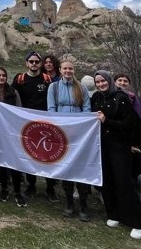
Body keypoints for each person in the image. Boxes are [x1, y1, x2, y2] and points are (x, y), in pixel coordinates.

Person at [91, 70, 141, 239]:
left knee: (124, 182)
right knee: (107, 180)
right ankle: (114, 214)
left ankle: (138, 224)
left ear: (110, 80)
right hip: (102, 146)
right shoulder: (96, 98)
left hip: (120, 146)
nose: (101, 84)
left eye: (103, 81)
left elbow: (131, 124)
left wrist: (107, 121)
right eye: (98, 82)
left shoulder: (121, 98)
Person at [48, 60, 92, 221]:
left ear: (74, 70)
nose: (68, 71)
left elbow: (87, 109)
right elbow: (51, 109)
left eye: (70, 68)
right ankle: (68, 203)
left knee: (81, 168)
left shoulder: (82, 88)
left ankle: (83, 204)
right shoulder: (53, 88)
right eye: (65, 68)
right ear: (60, 70)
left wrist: (82, 126)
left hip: (80, 133)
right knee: (66, 168)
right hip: (62, 133)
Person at [11, 51, 58, 202]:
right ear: (26, 63)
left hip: (45, 124)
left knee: (48, 156)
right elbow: (9, 95)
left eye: (37, 62)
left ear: (40, 64)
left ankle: (50, 188)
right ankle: (31, 185)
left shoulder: (47, 80)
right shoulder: (20, 79)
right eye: (31, 61)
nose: (34, 64)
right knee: (29, 154)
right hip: (26, 124)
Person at [0, 67, 26, 207]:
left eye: (3, 75)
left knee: (14, 160)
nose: (1, 78)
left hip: (12, 132)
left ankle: (17, 191)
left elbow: (19, 111)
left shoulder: (13, 92)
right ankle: (4, 188)